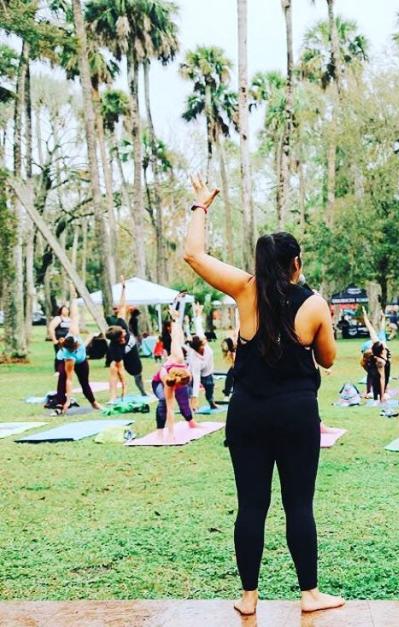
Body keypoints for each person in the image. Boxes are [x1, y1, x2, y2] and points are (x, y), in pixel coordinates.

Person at [183, 174, 342, 615]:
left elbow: (193, 254)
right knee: (298, 504)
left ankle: (249, 598)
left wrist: (201, 205)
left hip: (249, 413)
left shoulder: (245, 289)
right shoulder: (314, 304)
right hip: (295, 414)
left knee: (251, 505)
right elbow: (327, 360)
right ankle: (309, 594)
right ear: (296, 262)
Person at [152, 307, 200, 436]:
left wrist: (176, 319)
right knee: (163, 401)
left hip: (176, 378)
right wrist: (171, 433)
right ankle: (160, 431)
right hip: (158, 383)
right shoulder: (167, 379)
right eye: (179, 385)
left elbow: (176, 337)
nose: (180, 386)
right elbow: (170, 409)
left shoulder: (179, 358)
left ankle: (191, 422)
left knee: (184, 399)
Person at [52, 294, 101, 414]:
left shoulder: (74, 332)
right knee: (63, 377)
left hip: (82, 360)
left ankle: (94, 403)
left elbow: (75, 315)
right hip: (68, 360)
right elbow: (70, 380)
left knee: (84, 382)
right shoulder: (69, 357)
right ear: (73, 349)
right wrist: (69, 400)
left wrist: (73, 298)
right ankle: (60, 404)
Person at [186, 334, 217, 411]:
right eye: (202, 346)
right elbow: (196, 380)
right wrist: (195, 397)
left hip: (207, 371)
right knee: (190, 385)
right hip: (192, 371)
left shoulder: (208, 350)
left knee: (210, 387)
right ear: (197, 348)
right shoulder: (194, 359)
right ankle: (191, 404)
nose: (204, 346)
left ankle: (211, 402)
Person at [48, 304, 72, 371]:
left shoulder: (70, 319)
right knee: (59, 354)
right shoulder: (58, 318)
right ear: (61, 311)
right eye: (63, 309)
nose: (65, 311)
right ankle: (57, 370)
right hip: (59, 340)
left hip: (68, 341)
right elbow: (51, 328)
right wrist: (54, 339)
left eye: (66, 309)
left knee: (68, 355)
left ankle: (67, 369)